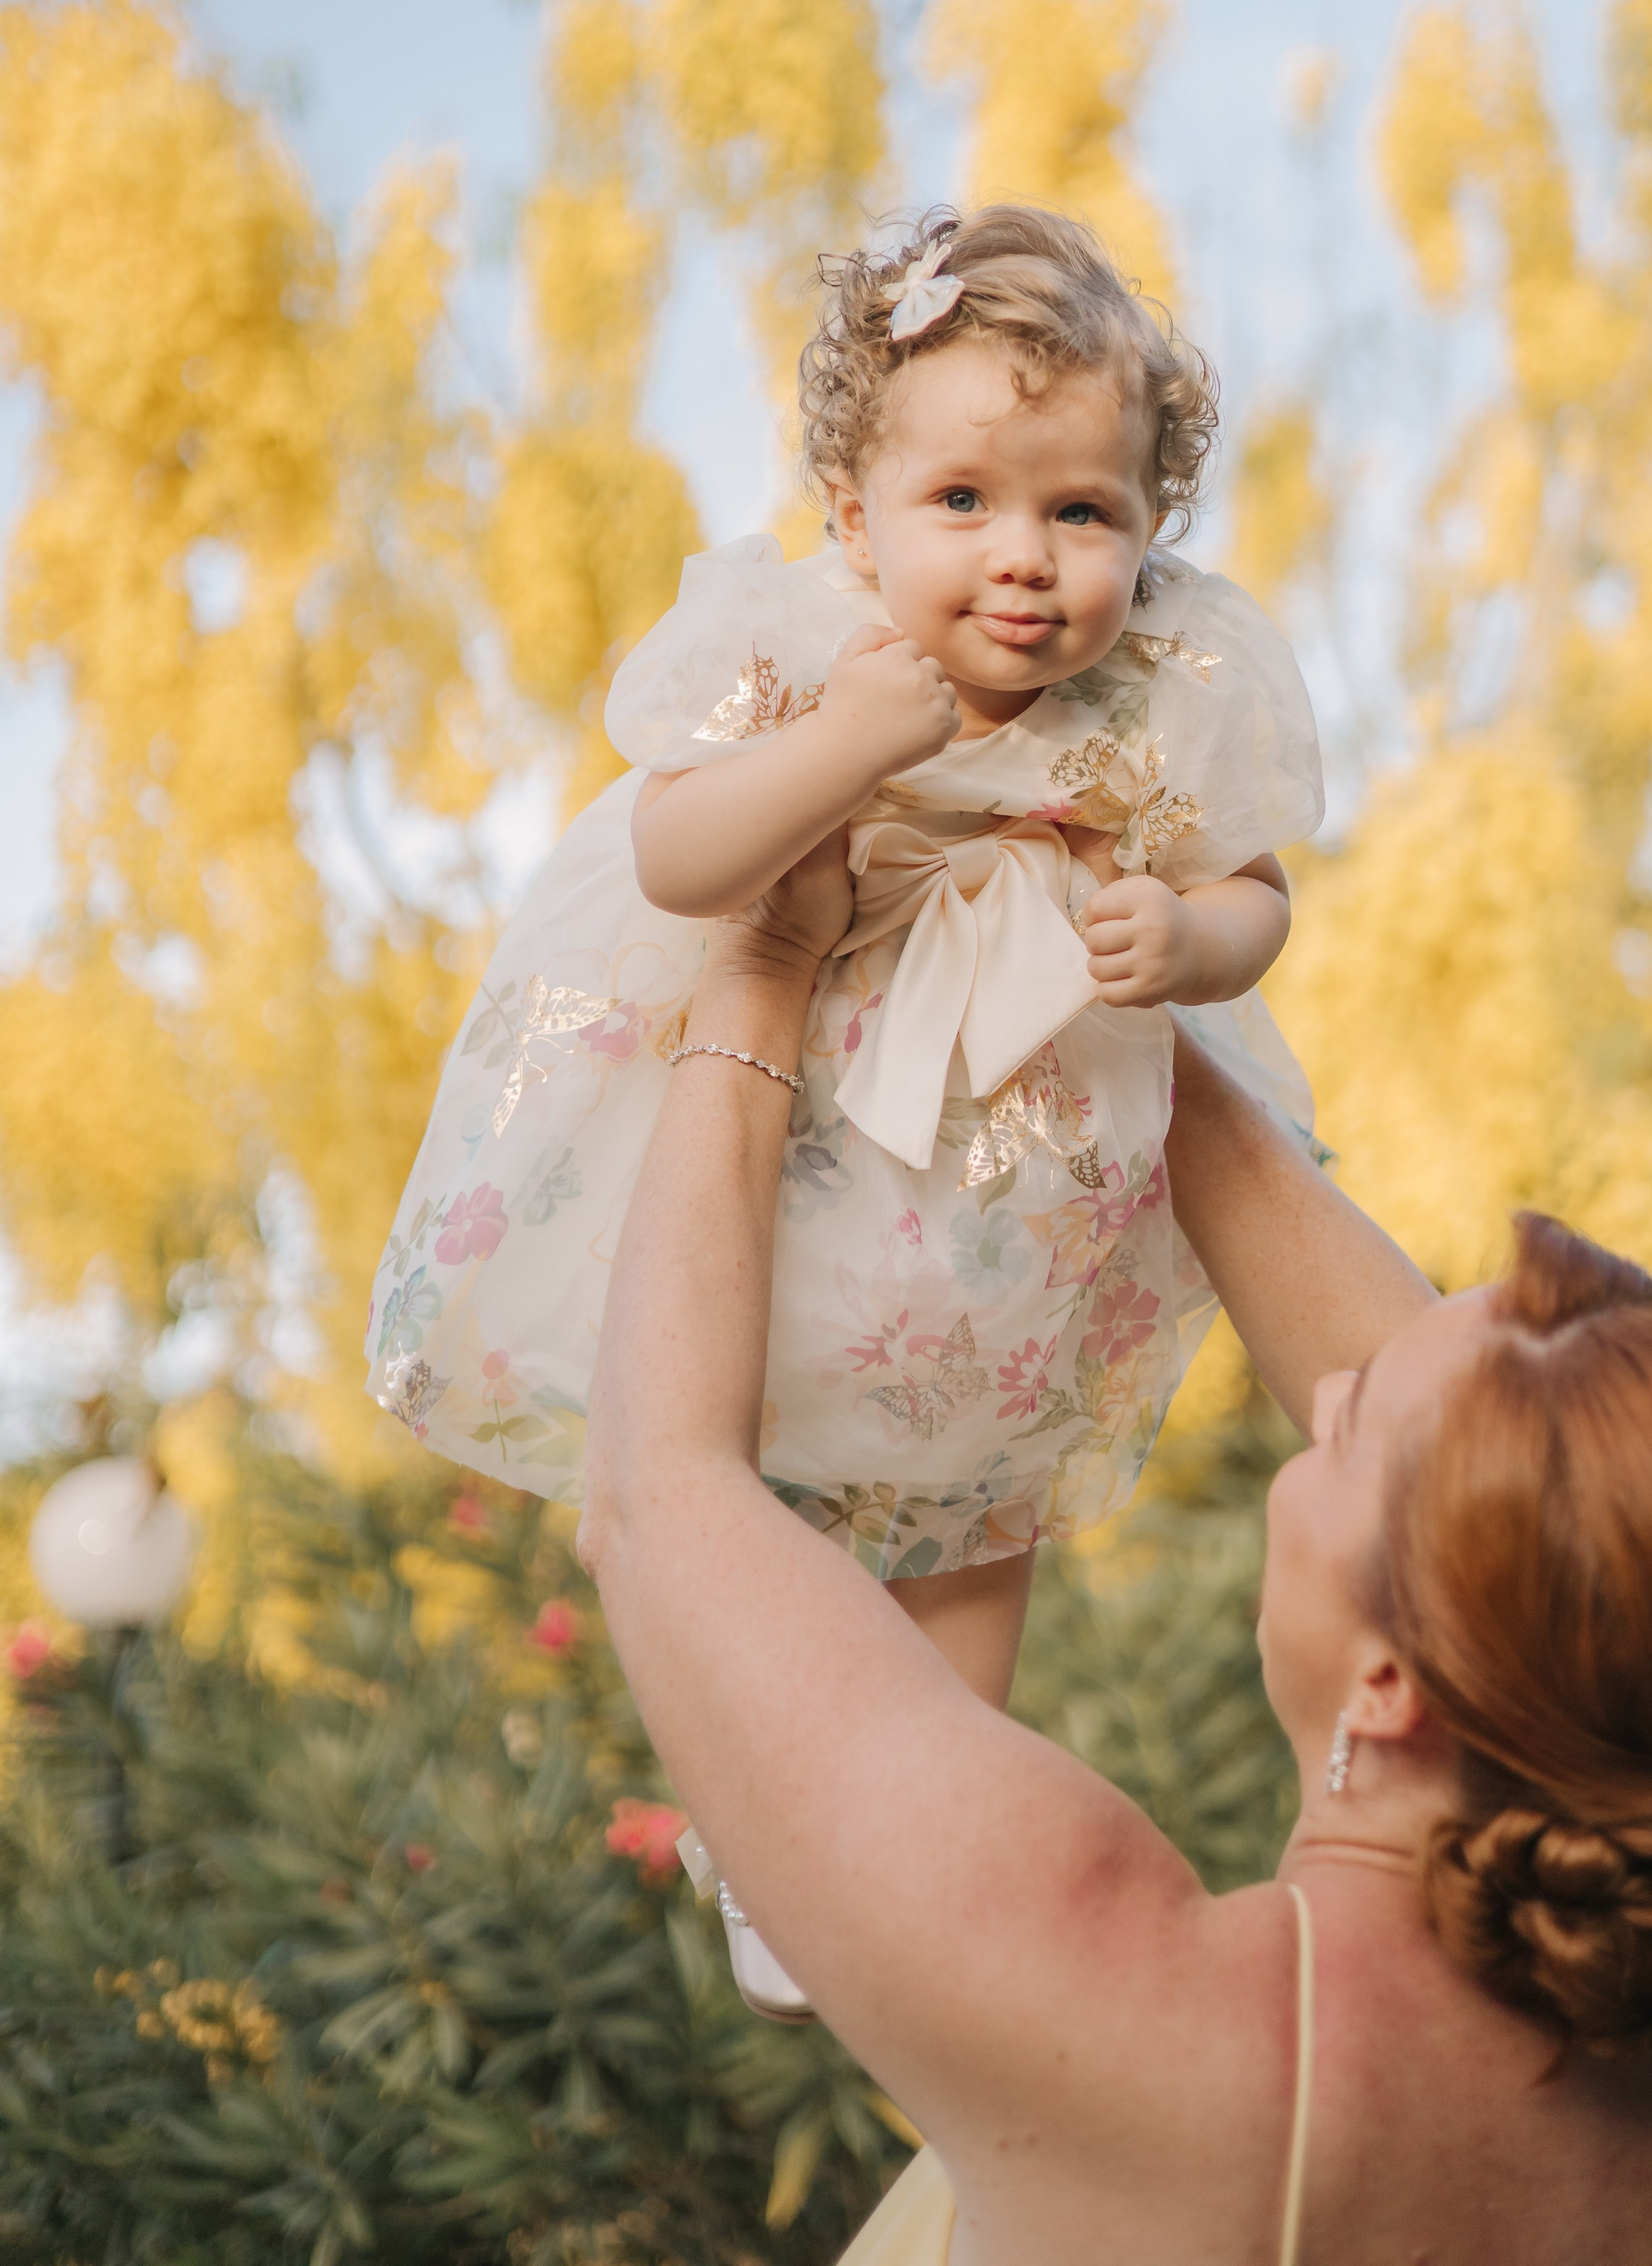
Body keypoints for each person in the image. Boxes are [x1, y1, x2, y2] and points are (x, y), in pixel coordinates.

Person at [576, 837, 1652, 2266]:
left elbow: (663, 1488)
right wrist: (1085, 990)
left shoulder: (1140, 2012)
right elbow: (1542, 1515)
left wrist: (761, 974)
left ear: (1392, 1687)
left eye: (1352, 1430)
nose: (1323, 1392)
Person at [365, 205, 1326, 1998]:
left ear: (1148, 525)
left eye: (1083, 512)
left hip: (1006, 1194)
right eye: (960, 500)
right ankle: (773, 1829)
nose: (1024, 558)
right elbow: (674, 849)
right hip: (792, 1164)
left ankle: (918, 1872)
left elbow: (1260, 887)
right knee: (743, 1486)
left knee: (982, 1503)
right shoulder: (798, 646)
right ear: (848, 507)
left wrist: (1186, 938)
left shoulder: (1164, 680)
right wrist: (850, 746)